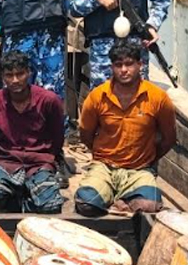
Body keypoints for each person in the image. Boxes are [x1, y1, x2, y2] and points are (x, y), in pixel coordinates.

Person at [74, 40, 176, 215]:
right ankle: (118, 198)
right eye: (118, 65)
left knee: (150, 205)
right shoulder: (97, 96)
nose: (124, 70)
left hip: (139, 169)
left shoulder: (158, 98)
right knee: (86, 203)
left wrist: (148, 158)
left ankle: (119, 198)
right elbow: (86, 135)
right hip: (104, 166)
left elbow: (169, 139)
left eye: (129, 64)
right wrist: (102, 154)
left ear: (140, 64)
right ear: (112, 67)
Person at [0, 50, 66, 213]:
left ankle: (24, 198)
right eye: (9, 75)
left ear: (29, 72)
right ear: (3, 77)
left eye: (20, 74)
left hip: (39, 162)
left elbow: (58, 136)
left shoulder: (48, 100)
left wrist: (51, 159)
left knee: (52, 205)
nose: (15, 80)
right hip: (9, 162)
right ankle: (28, 196)